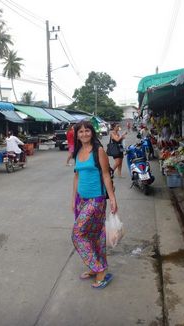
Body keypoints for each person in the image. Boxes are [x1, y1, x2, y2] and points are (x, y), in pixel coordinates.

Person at [71, 120, 117, 289]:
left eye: (87, 131)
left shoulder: (98, 151)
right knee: (94, 235)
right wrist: (73, 200)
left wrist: (112, 198)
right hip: (81, 199)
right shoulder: (77, 151)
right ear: (77, 135)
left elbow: (106, 175)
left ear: (92, 132)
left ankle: (100, 269)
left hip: (96, 200)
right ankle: (95, 267)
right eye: (80, 131)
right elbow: (76, 176)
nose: (84, 134)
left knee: (77, 234)